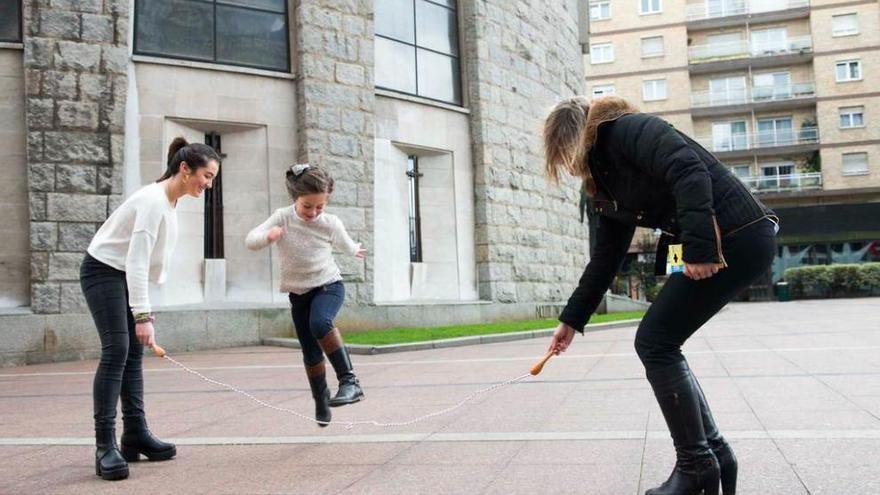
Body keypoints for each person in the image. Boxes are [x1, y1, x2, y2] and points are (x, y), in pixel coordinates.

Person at [543, 96, 778, 495]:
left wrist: (701, 249)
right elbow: (606, 256)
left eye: (563, 156)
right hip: (732, 241)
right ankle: (714, 456)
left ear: (571, 138)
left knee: (655, 341)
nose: (568, 168)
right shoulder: (605, 179)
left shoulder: (628, 129)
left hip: (739, 235)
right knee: (661, 342)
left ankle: (697, 466)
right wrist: (572, 320)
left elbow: (688, 169)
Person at [81, 138, 221, 480]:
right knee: (117, 350)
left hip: (123, 274)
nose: (208, 184)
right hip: (104, 270)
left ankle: (135, 433)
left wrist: (144, 311)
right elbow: (137, 260)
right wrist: (142, 316)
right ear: (184, 169)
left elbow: (143, 266)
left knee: (131, 355)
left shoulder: (169, 201)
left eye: (213, 178)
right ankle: (104, 446)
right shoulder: (153, 201)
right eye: (206, 175)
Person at [246, 164, 367, 427]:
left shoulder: (330, 223)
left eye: (319, 207)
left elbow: (346, 245)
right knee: (310, 352)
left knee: (320, 323)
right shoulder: (282, 217)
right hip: (298, 294)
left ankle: (350, 382)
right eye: (307, 206)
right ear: (295, 199)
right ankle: (320, 397)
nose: (313, 212)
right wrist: (268, 236)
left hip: (328, 285)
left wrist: (355, 249)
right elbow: (250, 239)